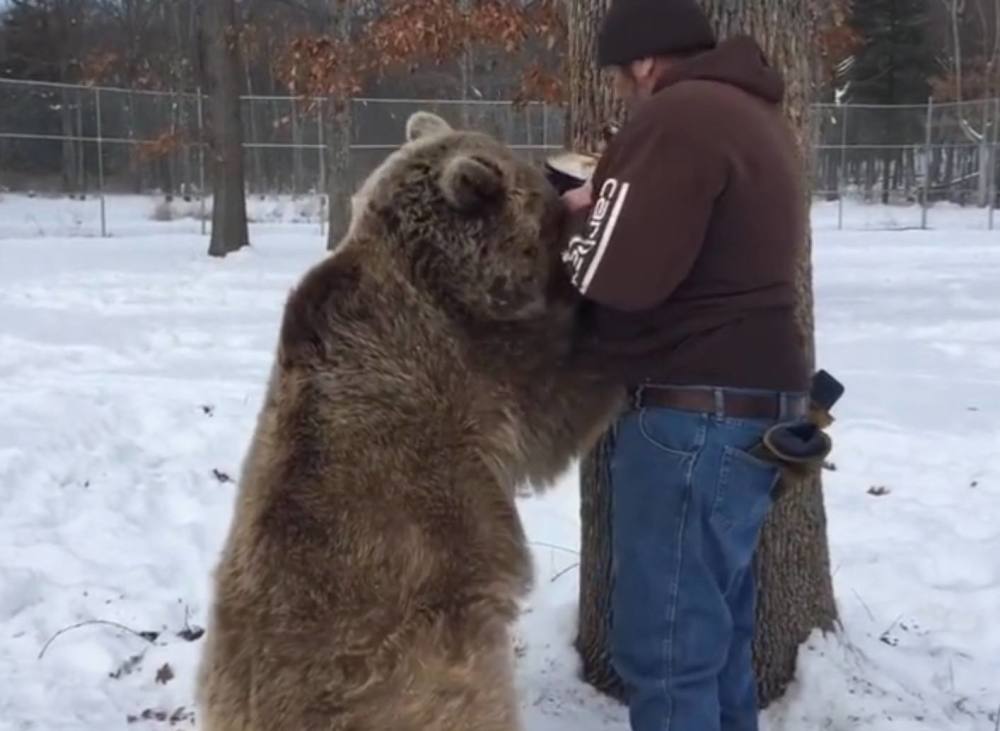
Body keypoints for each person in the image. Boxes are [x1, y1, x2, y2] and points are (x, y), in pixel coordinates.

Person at [558, 1, 812, 730]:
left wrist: (573, 216)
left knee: (668, 651)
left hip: (694, 416)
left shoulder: (677, 118)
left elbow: (618, 273)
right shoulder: (747, 115)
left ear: (643, 63)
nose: (619, 92)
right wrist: (607, 203)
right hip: (752, 408)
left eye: (618, 77)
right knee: (713, 641)